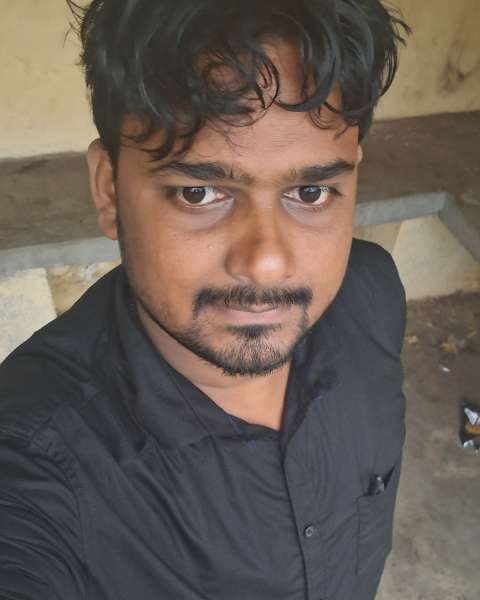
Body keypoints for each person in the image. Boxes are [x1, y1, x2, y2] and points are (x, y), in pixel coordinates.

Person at [0, 1, 410, 598]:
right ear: (109, 190)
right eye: (198, 193)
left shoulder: (371, 294)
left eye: (311, 192)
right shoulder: (34, 461)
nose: (266, 261)